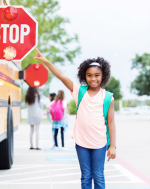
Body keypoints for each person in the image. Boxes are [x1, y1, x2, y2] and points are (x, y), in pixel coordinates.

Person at [34, 48, 116, 189]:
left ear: (103, 76)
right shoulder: (79, 91)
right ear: (84, 76)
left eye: (97, 75)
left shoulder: (108, 97)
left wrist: (112, 146)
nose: (93, 78)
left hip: (100, 143)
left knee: (98, 175)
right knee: (85, 176)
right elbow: (62, 76)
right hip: (82, 142)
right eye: (89, 75)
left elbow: (111, 122)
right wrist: (46, 61)